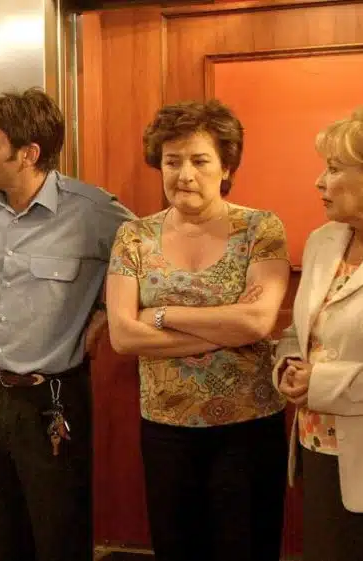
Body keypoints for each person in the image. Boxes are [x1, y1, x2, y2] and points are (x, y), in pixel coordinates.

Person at [0, 88, 134, 561]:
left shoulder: (93, 212)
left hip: (53, 398)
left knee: (58, 536)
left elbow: (146, 260)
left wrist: (103, 320)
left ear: (28, 154)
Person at [105, 99, 291, 561]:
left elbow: (258, 321)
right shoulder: (134, 236)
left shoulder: (260, 228)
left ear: (226, 167)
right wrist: (226, 329)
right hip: (166, 430)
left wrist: (161, 314)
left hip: (248, 428)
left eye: (199, 161)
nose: (184, 174)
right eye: (172, 161)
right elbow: (123, 336)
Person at [274, 106, 363, 561]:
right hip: (315, 453)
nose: (320, 182)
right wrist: (287, 365)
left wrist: (322, 383)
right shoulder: (323, 241)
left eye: (334, 169)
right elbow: (300, 332)